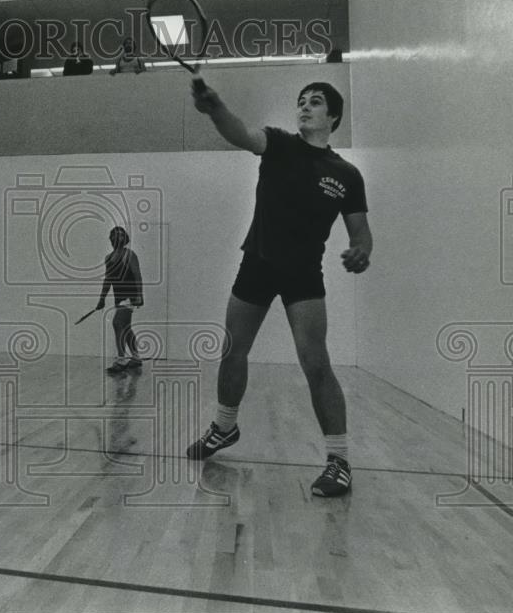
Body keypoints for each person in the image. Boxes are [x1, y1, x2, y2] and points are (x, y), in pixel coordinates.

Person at [187, 82, 372, 498]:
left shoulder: (346, 174)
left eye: (316, 102)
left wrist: (361, 250)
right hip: (258, 262)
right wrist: (216, 109)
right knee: (233, 349)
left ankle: (339, 461)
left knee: (315, 363)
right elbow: (242, 134)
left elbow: (361, 231)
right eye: (301, 101)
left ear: (333, 118)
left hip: (302, 275)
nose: (305, 107)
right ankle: (223, 428)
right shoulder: (279, 143)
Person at [96, 226, 144, 374]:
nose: (118, 238)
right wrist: (102, 299)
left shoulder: (130, 255)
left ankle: (121, 359)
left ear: (125, 238)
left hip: (130, 296)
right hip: (119, 298)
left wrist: (139, 295)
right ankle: (136, 357)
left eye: (121, 235)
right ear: (111, 239)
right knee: (126, 327)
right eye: (115, 236)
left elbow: (137, 275)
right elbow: (108, 280)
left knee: (117, 323)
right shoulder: (109, 258)